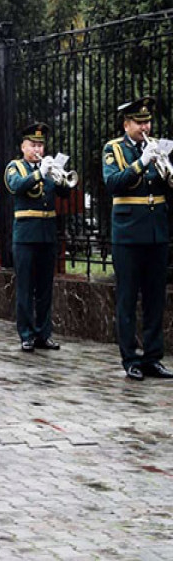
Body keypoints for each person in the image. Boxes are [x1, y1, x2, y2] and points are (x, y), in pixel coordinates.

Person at [103, 96, 172, 381]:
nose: (146, 126)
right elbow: (113, 183)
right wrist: (142, 163)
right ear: (126, 124)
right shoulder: (114, 149)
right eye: (139, 122)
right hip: (129, 233)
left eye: (148, 121)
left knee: (156, 299)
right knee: (128, 298)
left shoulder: (158, 147)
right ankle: (130, 358)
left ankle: (153, 357)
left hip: (156, 232)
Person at [5, 122, 70, 352]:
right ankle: (26, 334)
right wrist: (39, 174)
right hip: (25, 234)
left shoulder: (47, 167)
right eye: (33, 145)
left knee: (44, 287)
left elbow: (65, 191)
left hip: (47, 233)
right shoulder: (15, 167)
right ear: (23, 147)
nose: (38, 149)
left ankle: (44, 333)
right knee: (25, 287)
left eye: (41, 145)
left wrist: (60, 175)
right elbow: (16, 187)